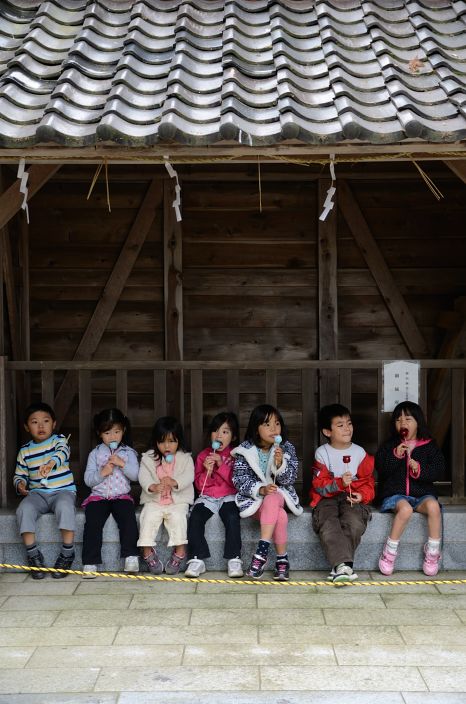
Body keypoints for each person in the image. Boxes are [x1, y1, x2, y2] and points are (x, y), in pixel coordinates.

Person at [232, 404, 302, 581]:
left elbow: (289, 479)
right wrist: (260, 489)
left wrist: (280, 464)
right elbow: (239, 479)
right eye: (267, 424)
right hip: (254, 502)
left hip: (279, 496)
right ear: (256, 428)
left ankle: (260, 555)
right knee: (281, 516)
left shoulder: (286, 448)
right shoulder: (245, 450)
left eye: (277, 423)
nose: (273, 428)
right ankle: (282, 560)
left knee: (273, 498)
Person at [376, 401, 445, 576]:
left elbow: (438, 470)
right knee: (405, 510)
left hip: (422, 495)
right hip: (395, 494)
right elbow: (381, 469)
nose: (403, 423)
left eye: (408, 419)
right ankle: (389, 552)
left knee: (434, 507)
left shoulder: (429, 446)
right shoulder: (390, 446)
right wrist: (396, 455)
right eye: (398, 420)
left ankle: (433, 552)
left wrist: (419, 469)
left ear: (418, 422)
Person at [310, 403, 374, 583]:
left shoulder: (359, 452)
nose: (347, 428)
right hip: (326, 498)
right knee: (329, 524)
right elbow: (318, 484)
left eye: (349, 423)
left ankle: (340, 566)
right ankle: (344, 566)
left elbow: (368, 482)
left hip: (351, 496)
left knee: (354, 523)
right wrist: (338, 483)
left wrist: (362, 496)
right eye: (340, 425)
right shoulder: (322, 453)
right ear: (327, 431)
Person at [13, 401, 76, 580]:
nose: (41, 426)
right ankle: (33, 555)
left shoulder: (59, 440)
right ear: (27, 427)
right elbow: (19, 474)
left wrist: (50, 464)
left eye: (46, 421)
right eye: (34, 422)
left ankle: (67, 553)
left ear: (53, 424)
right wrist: (20, 485)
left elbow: (63, 452)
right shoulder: (24, 451)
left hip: (63, 490)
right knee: (24, 509)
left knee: (65, 507)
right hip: (37, 494)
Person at [81, 408, 140, 578]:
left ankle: (131, 557)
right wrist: (102, 473)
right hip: (98, 497)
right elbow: (88, 480)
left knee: (128, 520)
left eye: (117, 432)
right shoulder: (95, 454)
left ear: (124, 431)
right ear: (100, 434)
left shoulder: (128, 453)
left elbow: (136, 476)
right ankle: (90, 562)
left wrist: (122, 464)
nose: (113, 437)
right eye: (107, 432)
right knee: (92, 523)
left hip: (121, 496)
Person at [185, 412, 243, 579]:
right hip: (208, 497)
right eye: (216, 431)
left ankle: (234, 558)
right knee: (195, 517)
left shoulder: (236, 456)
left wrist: (221, 465)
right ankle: (197, 559)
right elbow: (199, 485)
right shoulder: (203, 455)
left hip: (229, 496)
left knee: (232, 517)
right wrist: (207, 471)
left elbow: (237, 482)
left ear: (233, 437)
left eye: (225, 432)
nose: (219, 435)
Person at [138, 416, 194, 574]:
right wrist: (153, 486)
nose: (167, 446)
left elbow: (189, 476)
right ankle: (147, 551)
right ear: (156, 442)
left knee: (178, 519)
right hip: (154, 501)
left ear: (179, 442)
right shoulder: (148, 458)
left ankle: (180, 550)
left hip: (177, 501)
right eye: (162, 442)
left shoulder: (185, 458)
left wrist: (175, 482)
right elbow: (143, 476)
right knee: (147, 518)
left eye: (171, 441)